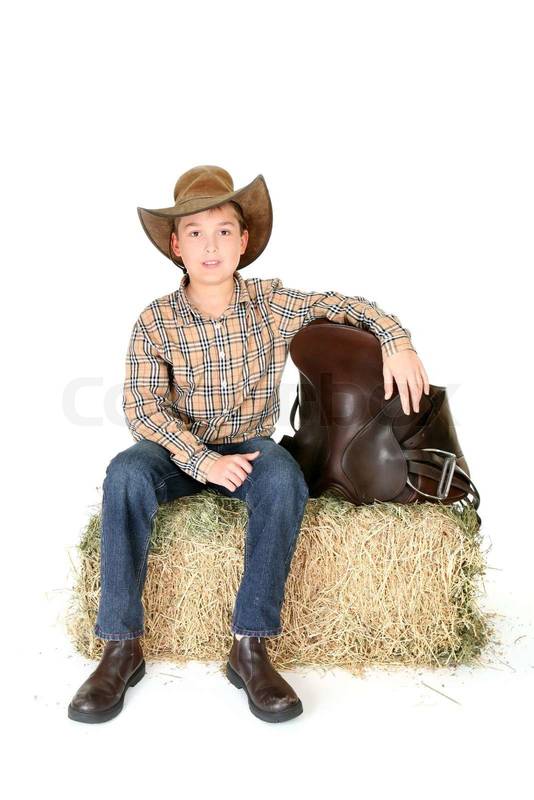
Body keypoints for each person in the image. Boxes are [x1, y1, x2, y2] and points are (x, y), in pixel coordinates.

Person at [68, 165, 430, 725]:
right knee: (126, 473)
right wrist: (203, 461)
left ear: (244, 242)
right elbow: (143, 408)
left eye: (223, 231)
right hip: (177, 450)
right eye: (195, 233)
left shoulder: (271, 302)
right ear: (176, 246)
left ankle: (250, 644)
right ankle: (121, 645)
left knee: (284, 478)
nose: (210, 245)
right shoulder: (155, 319)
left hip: (250, 444)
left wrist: (396, 340)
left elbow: (347, 306)